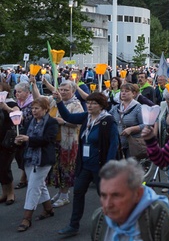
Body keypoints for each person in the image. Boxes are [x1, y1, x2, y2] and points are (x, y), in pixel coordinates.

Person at [55, 92, 120, 237]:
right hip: (85, 164)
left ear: (101, 106)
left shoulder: (108, 121)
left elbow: (113, 145)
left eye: (93, 103)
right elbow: (68, 117)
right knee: (78, 192)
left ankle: (114, 225)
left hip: (100, 166)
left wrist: (108, 168)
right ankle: (73, 225)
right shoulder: (87, 117)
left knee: (105, 196)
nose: (89, 106)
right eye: (88, 103)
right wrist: (59, 101)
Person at [91, 158, 169, 241]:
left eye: (116, 195)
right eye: (103, 195)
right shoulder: (99, 218)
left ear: (137, 194)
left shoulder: (156, 214)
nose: (107, 204)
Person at [38, 80, 84, 208]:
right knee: (56, 168)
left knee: (66, 168)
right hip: (54, 141)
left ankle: (65, 195)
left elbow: (78, 123)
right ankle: (61, 192)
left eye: (66, 90)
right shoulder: (54, 101)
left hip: (68, 142)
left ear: (73, 91)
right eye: (61, 90)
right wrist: (37, 83)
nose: (63, 92)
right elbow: (39, 99)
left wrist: (62, 122)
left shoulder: (76, 105)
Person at [15, 97, 59, 232]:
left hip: (43, 159)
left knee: (33, 187)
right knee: (39, 185)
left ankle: (27, 218)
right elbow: (23, 134)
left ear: (45, 109)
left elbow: (47, 139)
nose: (34, 111)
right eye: (33, 108)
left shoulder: (52, 122)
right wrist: (19, 140)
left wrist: (29, 139)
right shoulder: (29, 121)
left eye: (37, 108)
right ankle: (48, 208)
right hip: (29, 158)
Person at [109, 83, 144, 158]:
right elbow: (108, 118)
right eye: (122, 91)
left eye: (127, 91)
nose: (123, 93)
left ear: (133, 93)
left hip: (132, 144)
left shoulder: (138, 108)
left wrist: (132, 129)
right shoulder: (116, 108)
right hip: (118, 143)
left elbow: (145, 125)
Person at [0, 82, 19, 206]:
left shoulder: (11, 102)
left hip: (7, 140)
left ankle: (11, 192)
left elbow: (17, 115)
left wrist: (5, 107)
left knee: (4, 166)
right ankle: (4, 192)